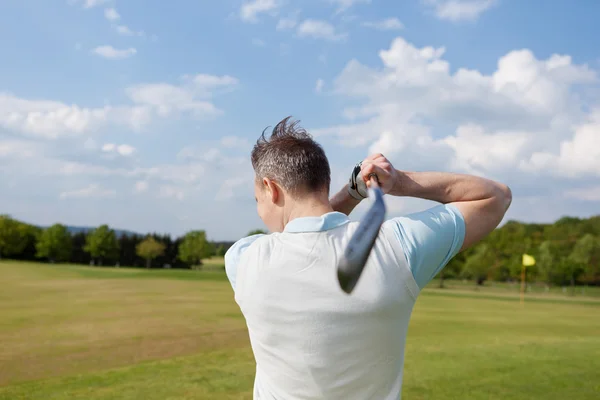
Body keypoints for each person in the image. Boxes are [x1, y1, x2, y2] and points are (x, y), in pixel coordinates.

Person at [224, 116, 512, 399]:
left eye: (257, 200)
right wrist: (397, 182)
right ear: (322, 182)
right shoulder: (398, 246)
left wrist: (350, 195)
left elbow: (306, 228)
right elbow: (495, 196)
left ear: (271, 189)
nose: (260, 212)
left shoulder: (243, 260)